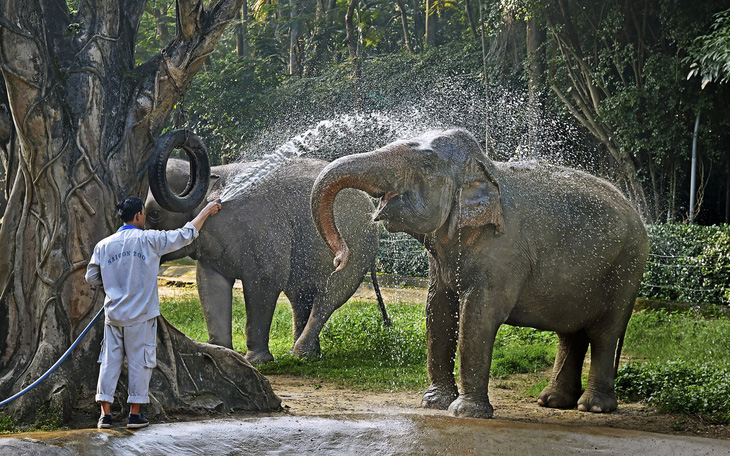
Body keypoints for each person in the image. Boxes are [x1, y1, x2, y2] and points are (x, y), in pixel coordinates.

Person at [86, 196, 221, 429]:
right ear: (138, 215)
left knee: (109, 362)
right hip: (140, 316)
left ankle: (105, 416)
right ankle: (134, 415)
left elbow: (91, 277)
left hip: (114, 315)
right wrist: (207, 211)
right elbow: (186, 233)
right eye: (144, 215)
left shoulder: (104, 245)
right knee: (140, 362)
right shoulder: (150, 240)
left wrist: (113, 285)